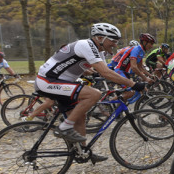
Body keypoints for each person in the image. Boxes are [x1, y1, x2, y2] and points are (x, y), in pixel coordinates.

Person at [34, 23, 146, 161]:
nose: (115, 45)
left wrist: (92, 73)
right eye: (113, 41)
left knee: (80, 116)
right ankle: (64, 127)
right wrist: (134, 84)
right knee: (94, 94)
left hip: (59, 81)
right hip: (48, 81)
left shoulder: (97, 50)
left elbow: (99, 70)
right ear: (100, 38)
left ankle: (83, 152)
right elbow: (106, 73)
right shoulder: (86, 45)